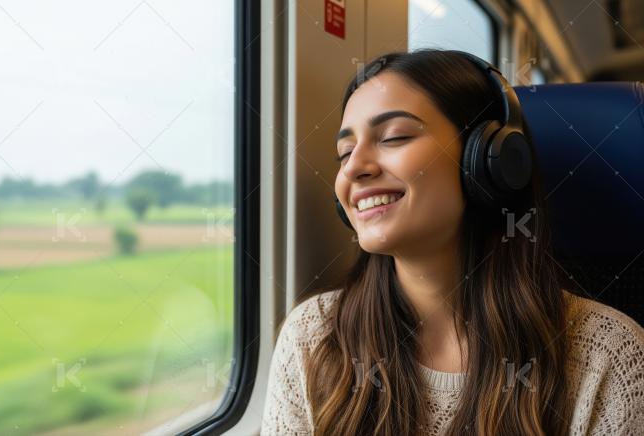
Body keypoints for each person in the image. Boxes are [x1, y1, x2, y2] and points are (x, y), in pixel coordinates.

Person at [261, 49, 644, 436]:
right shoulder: (312, 340)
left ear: (490, 162)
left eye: (394, 137)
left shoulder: (607, 357)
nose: (354, 168)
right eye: (344, 153)